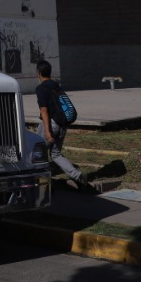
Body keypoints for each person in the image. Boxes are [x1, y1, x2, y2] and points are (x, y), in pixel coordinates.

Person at [35, 60, 94, 193]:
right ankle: (77, 175)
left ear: (38, 73)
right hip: (62, 125)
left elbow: (44, 111)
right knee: (55, 154)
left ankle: (44, 184)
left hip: (51, 124)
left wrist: (47, 132)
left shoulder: (41, 88)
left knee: (38, 154)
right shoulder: (56, 85)